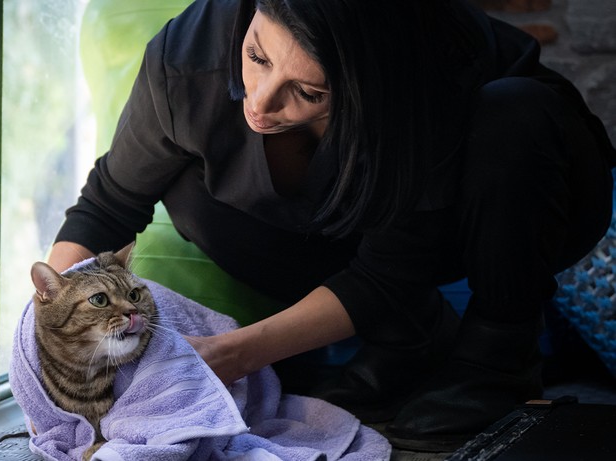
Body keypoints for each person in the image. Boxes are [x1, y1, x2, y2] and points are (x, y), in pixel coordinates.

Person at [47, 0, 616, 451]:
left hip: (520, 197)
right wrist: (48, 321)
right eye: (257, 56)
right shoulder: (186, 58)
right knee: (191, 183)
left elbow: (388, 270)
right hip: (361, 224)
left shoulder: (428, 81)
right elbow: (110, 203)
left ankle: (500, 359)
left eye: (308, 91)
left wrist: (230, 353)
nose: (259, 103)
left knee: (514, 112)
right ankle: (409, 337)